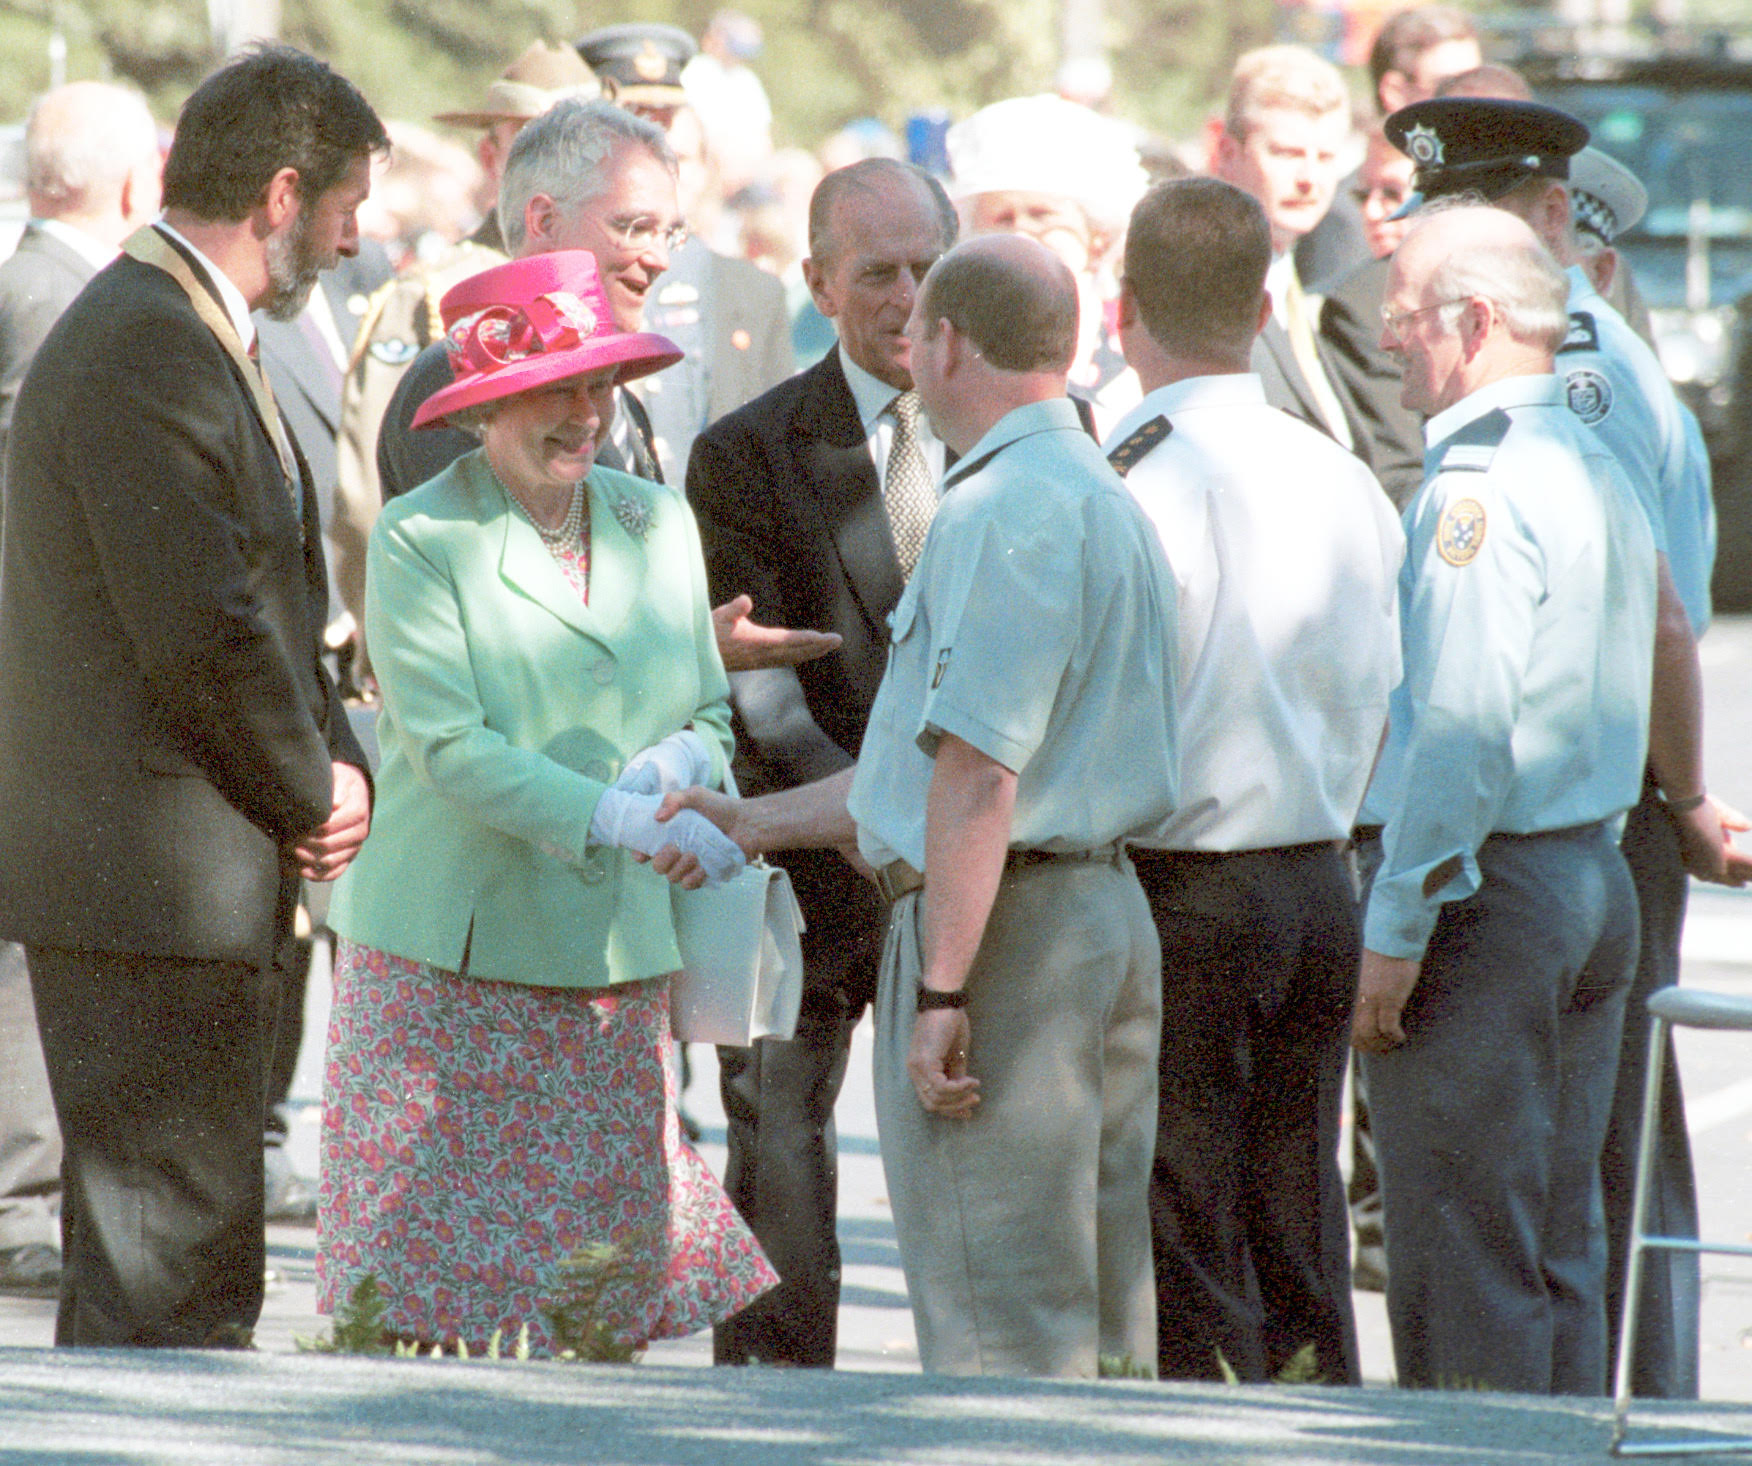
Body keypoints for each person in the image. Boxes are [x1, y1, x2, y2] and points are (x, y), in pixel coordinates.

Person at [672, 233, 1182, 1377]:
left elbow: (977, 778)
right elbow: (927, 773)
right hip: (1088, 910)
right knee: (1097, 1328)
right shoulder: (1094, 486)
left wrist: (942, 986)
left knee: (1000, 1325)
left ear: (947, 341)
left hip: (1007, 937)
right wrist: (756, 820)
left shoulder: (1000, 506)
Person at [318, 249, 776, 1354]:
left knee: (594, 1303)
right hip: (449, 957)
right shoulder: (423, 535)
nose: (586, 416)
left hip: (609, 959)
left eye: (600, 387)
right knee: (426, 1305)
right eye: (556, 391)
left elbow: (710, 711)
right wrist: (616, 814)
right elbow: (445, 747)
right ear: (488, 406)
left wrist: (678, 769)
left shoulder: (657, 520)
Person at [0, 44, 383, 1348]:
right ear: (283, 193)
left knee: (193, 1273)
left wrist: (328, 759)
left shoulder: (185, 329)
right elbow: (202, 626)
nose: (355, 233)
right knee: (162, 1287)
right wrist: (312, 782)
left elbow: (270, 594)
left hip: (183, 887)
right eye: (346, 206)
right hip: (145, 892)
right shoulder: (144, 343)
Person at [1387, 97, 1752, 1394]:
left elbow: (1643, 614)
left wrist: (1691, 790)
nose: (1422, 256)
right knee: (1574, 1193)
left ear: (1549, 218)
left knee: (1544, 1192)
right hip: (1602, 797)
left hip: (1574, 812)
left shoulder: (1563, 382)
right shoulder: (1587, 370)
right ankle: (1615, 1409)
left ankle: (1623, 1408)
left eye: (1461, 214)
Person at [1352, 203, 1657, 1394]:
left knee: (1466, 1248)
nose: (1388, 343)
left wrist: (1394, 930)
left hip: (1495, 892)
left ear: (1474, 323)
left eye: (1404, 318)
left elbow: (1460, 739)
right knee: (1557, 1240)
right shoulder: (1593, 456)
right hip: (1586, 868)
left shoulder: (1472, 490)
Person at [1106, 177, 1403, 1386]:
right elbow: (1394, 681)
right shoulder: (1336, 472)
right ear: (1268, 304)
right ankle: (1319, 1401)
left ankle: (1217, 1420)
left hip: (1187, 884)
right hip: (1318, 874)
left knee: (1186, 1214)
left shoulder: (1133, 476)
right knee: (1297, 1197)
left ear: (1120, 310)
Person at [685, 157, 955, 1368]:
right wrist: (862, 812)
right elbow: (762, 689)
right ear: (819, 282)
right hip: (809, 851)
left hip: (973, 857)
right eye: (877, 273)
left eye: (928, 268)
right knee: (780, 1140)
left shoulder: (1022, 432)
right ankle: (772, 1414)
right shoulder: (747, 451)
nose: (908, 296)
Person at [0, 79, 162, 1298]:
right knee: (26, 936)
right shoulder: (66, 303)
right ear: (125, 187)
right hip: (35, 669)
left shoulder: (32, 286)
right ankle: (22, 1193)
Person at [331, 41, 601, 646]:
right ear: (491, 155)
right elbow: (367, 503)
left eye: (587, 147)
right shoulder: (433, 295)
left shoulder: (607, 283)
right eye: (537, 143)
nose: (565, 167)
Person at [1212, 46, 1358, 451]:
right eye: (1286, 154)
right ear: (1228, 153)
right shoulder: (1207, 291)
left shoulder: (1317, 280)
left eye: (1326, 157)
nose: (1309, 178)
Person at [1318, 126, 1425, 506]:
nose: (1372, 211)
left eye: (1393, 194)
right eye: (1364, 194)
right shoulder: (1363, 300)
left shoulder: (1365, 299)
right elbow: (1397, 469)